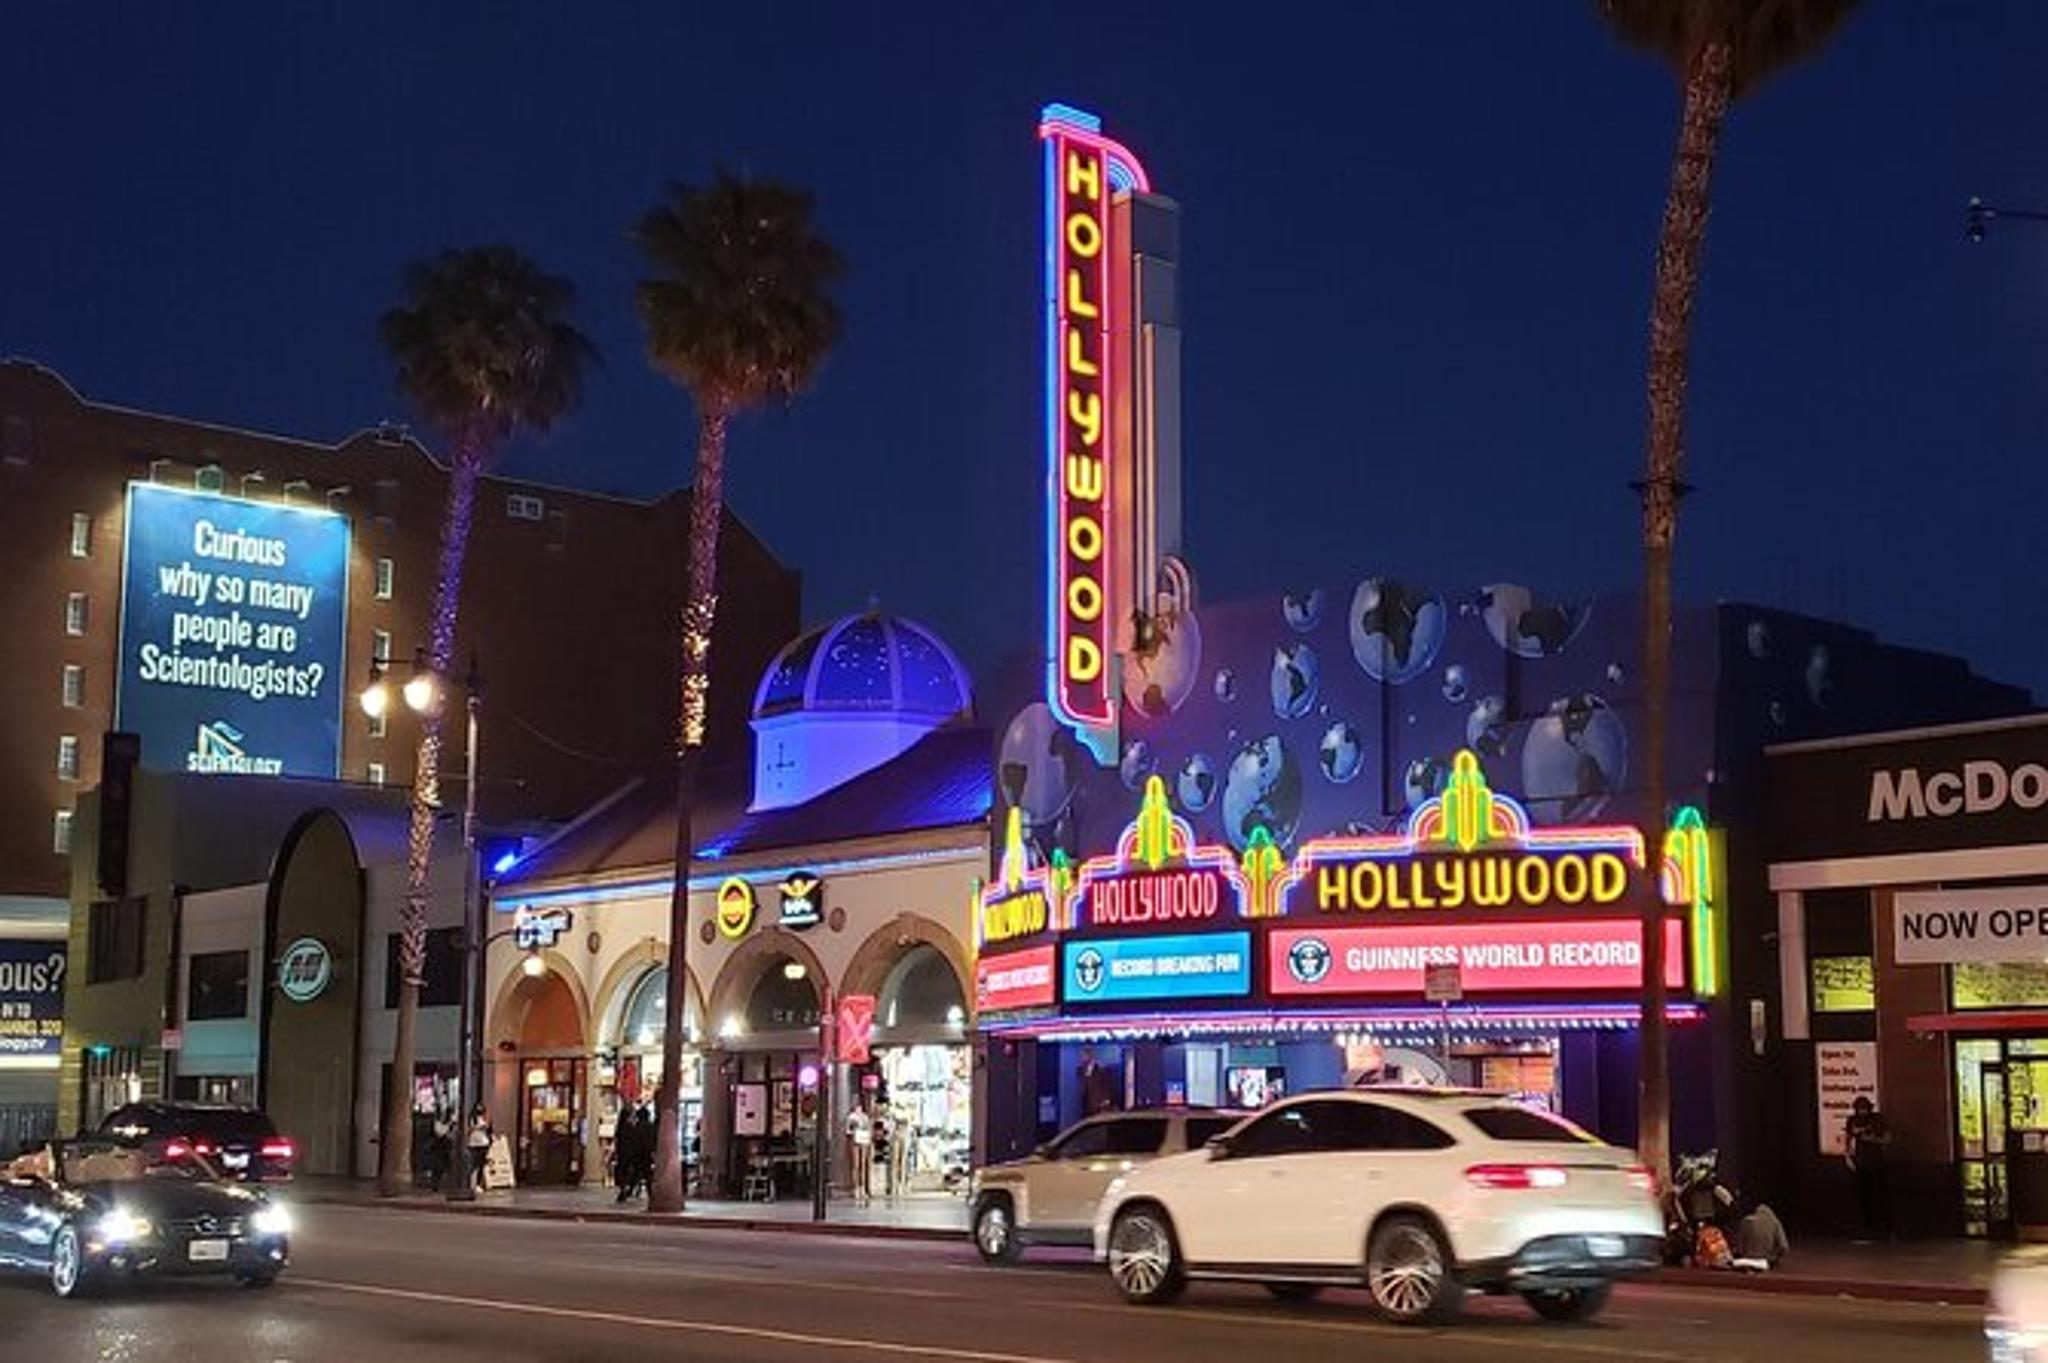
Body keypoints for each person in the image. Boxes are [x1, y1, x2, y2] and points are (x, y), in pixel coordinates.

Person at [1845, 1095, 1893, 1241]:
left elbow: (1887, 1138)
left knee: (1880, 1195)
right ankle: (1867, 1227)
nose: (1862, 1112)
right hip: (1861, 1163)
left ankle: (1883, 1228)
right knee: (1863, 1196)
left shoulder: (1877, 1119)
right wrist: (1847, 1156)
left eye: (1864, 1109)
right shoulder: (1852, 1120)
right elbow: (1849, 1137)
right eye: (1859, 1109)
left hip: (1877, 1163)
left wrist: (1872, 1139)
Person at [613, 1107, 643, 1203]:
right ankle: (629, 1189)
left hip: (623, 1154)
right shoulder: (635, 1128)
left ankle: (624, 1189)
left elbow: (618, 1140)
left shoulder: (622, 1129)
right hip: (633, 1154)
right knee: (633, 1172)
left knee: (624, 1171)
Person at [845, 1101, 873, 1205]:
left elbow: (868, 1128)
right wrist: (854, 1130)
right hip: (855, 1140)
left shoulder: (865, 1117)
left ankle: (863, 1187)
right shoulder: (851, 1117)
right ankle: (855, 1187)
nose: (858, 1108)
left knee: (863, 1164)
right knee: (855, 1165)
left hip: (864, 1141)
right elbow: (848, 1130)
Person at [466, 1105, 493, 1191]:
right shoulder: (472, 1119)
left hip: (483, 1142)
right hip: (474, 1143)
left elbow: (488, 1129)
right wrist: (479, 1127)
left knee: (481, 1164)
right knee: (473, 1164)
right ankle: (471, 1183)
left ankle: (477, 1184)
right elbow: (471, 1128)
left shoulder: (485, 1118)